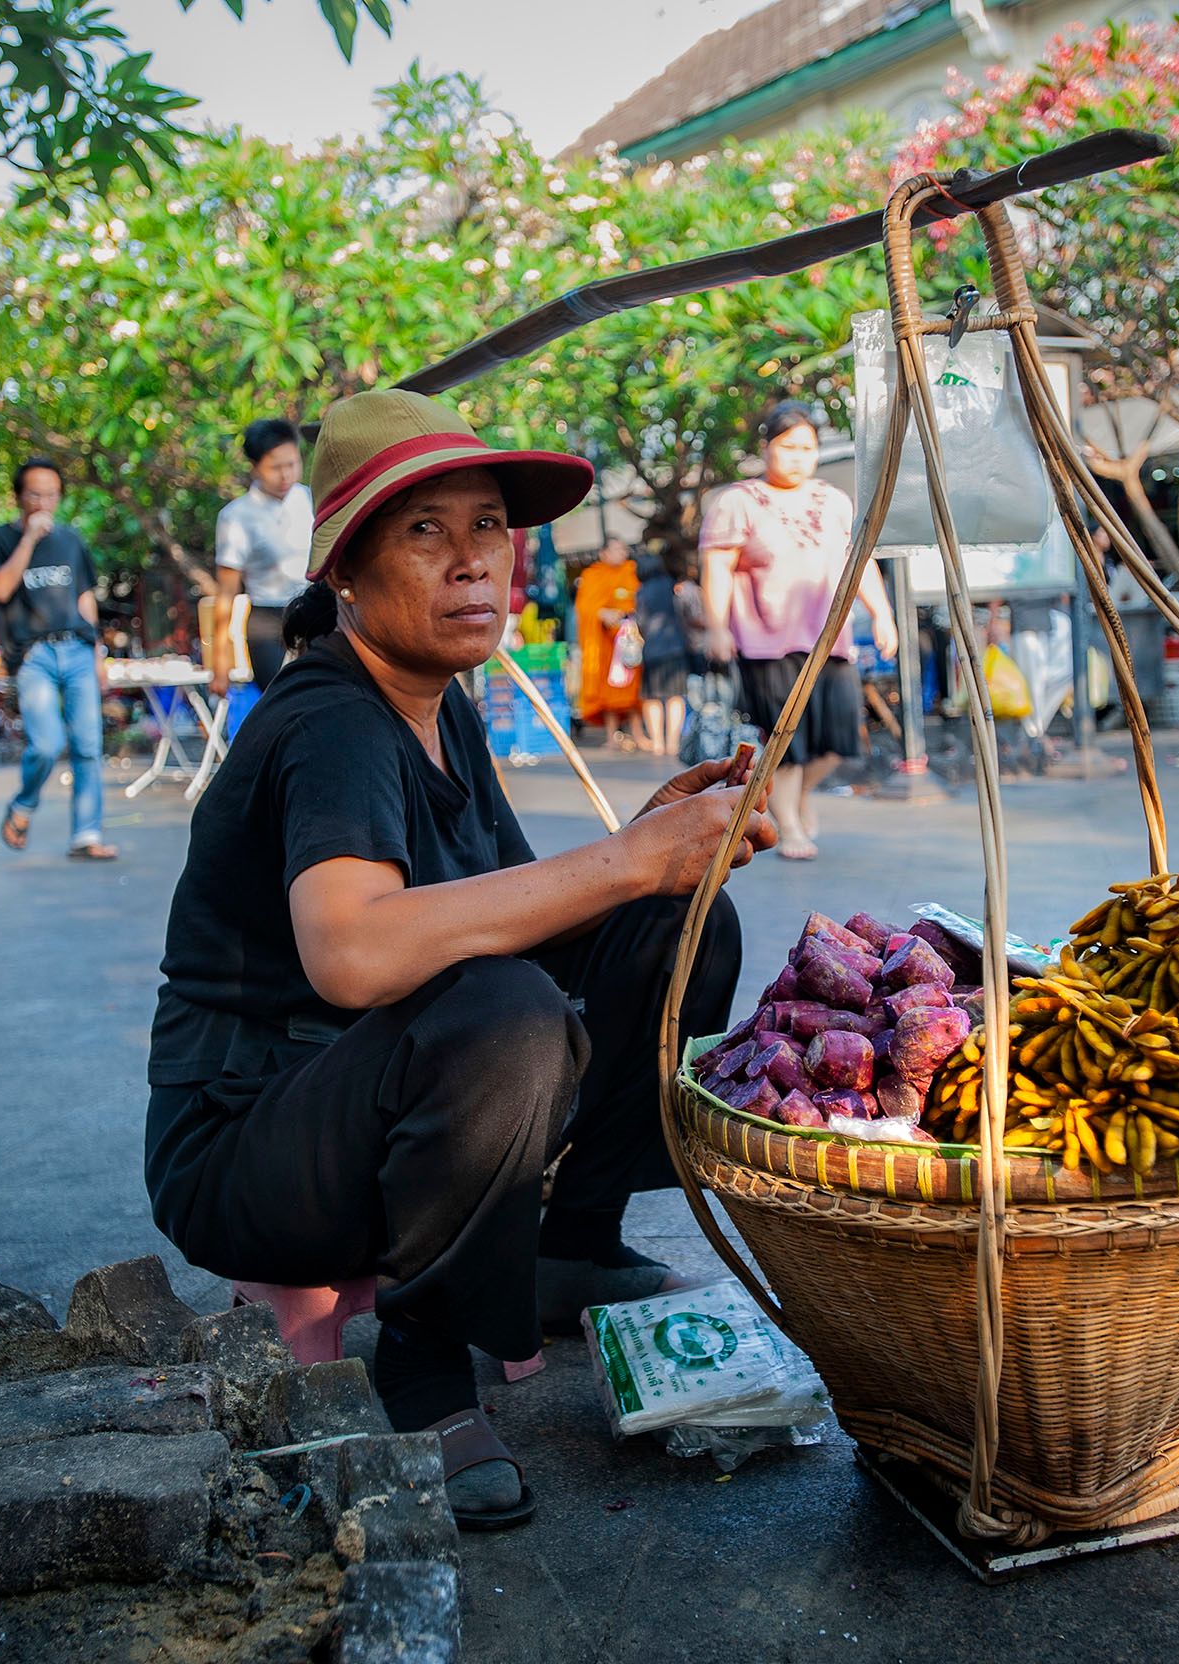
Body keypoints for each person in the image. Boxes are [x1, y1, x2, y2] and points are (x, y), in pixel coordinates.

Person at [146, 389, 774, 1530]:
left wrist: (651, 854)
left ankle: (568, 1246)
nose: (472, 561)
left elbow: (523, 914)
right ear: (344, 567)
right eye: (425, 530)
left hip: (371, 1100)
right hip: (251, 1147)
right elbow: (351, 950)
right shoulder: (332, 719)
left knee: (679, 925)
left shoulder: (443, 705)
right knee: (505, 1013)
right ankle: (424, 1372)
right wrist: (626, 861)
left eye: (487, 526)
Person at [699, 398, 897, 860]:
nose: (798, 457)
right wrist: (716, 626)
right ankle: (788, 827)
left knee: (839, 738)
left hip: (830, 639)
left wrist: (882, 613)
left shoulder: (834, 500)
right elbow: (717, 569)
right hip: (765, 641)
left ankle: (799, 798)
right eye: (788, 447)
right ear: (766, 447)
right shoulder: (738, 501)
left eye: (807, 448)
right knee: (785, 741)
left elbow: (858, 561)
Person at [0, 458, 115, 859]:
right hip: (33, 654)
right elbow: (1, 591)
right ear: (18, 497)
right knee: (45, 744)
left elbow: (85, 597)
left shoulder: (71, 540)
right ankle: (23, 804)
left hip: (76, 647)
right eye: (35, 494)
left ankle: (86, 835)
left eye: (51, 495)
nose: (43, 502)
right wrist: (28, 541)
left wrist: (97, 655)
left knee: (88, 745)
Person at [212, 417, 312, 695]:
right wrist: (220, 660)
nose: (285, 475)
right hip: (268, 622)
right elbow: (227, 592)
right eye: (275, 467)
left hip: (315, 611)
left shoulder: (312, 501)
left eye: (292, 464)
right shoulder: (237, 517)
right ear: (255, 468)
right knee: (283, 698)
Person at [573, 538, 643, 747]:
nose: (622, 552)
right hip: (606, 646)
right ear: (603, 553)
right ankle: (612, 735)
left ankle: (638, 734)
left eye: (623, 548)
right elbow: (585, 608)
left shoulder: (632, 572)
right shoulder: (592, 575)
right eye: (616, 549)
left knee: (633, 690)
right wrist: (602, 613)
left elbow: (641, 601)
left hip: (630, 643)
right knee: (610, 690)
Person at [633, 547, 691, 757]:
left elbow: (639, 623)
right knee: (675, 696)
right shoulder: (671, 585)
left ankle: (657, 742)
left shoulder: (640, 591)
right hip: (675, 647)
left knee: (652, 697)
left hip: (652, 650)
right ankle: (673, 743)